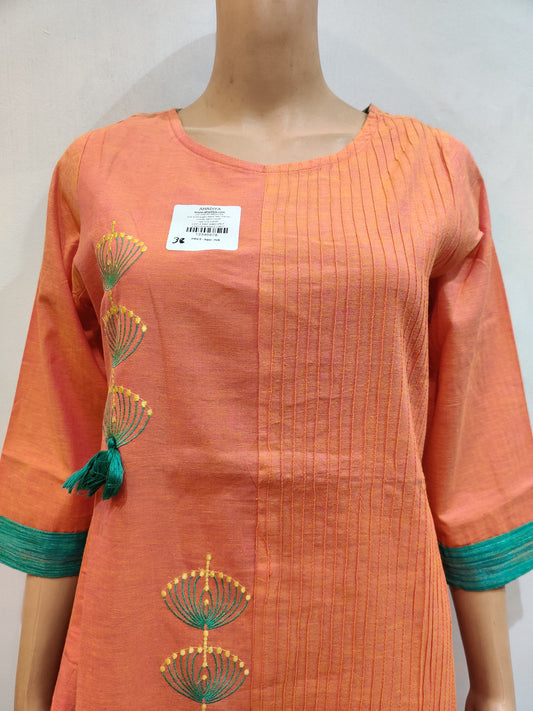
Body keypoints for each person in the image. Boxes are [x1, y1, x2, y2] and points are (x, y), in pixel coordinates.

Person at [1, 1, 532, 709]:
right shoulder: (102, 170)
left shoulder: (430, 173)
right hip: (144, 634)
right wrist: (29, 694)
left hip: (373, 632)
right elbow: (59, 443)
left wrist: (495, 690)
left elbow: (471, 451)